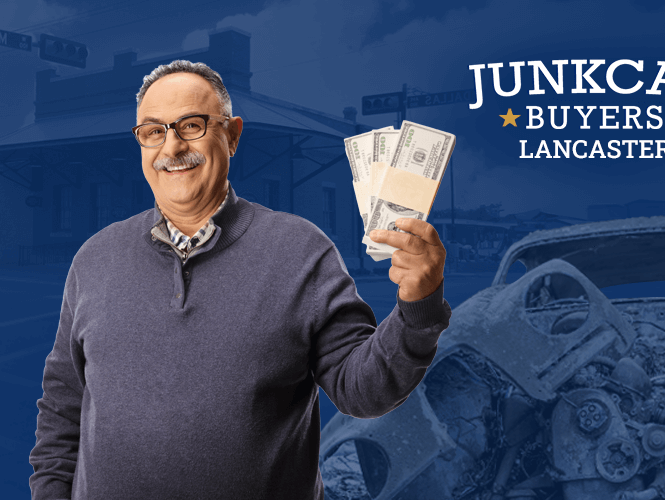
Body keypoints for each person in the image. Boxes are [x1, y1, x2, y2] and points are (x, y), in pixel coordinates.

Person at [29, 60, 450, 500]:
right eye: (153, 131)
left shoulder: (301, 251)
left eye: (190, 125)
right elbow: (62, 407)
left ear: (231, 135)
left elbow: (363, 391)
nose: (171, 148)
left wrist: (418, 308)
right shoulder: (94, 258)